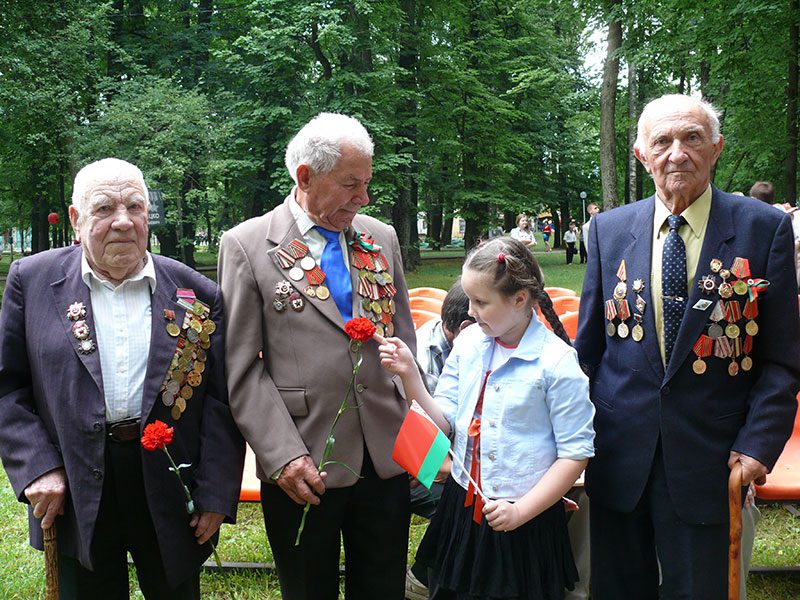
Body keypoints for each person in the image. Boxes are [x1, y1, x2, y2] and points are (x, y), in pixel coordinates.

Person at [576, 94, 800, 600]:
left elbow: (782, 358)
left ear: (716, 149)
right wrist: (567, 439)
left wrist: (759, 442)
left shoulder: (763, 229)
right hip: (618, 454)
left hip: (712, 456)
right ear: (642, 156)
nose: (677, 153)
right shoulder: (609, 230)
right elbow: (587, 352)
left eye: (692, 138)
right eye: (662, 141)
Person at [0, 158, 245, 599]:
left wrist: (214, 494)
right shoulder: (31, 281)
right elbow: (8, 386)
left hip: (169, 481)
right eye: (104, 208)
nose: (123, 221)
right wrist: (37, 466)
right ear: (75, 220)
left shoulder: (198, 294)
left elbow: (220, 400)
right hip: (74, 481)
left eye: (135, 206)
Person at [218, 112, 416, 600]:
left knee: (384, 589)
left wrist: (416, 428)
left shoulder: (380, 237)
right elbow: (241, 369)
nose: (363, 197)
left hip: (385, 457)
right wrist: (282, 456)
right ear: (305, 177)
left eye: (367, 182)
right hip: (304, 461)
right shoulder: (247, 245)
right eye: (350, 184)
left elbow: (403, 341)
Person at [377, 236, 595, 600]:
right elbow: (442, 423)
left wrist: (520, 512)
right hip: (463, 507)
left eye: (481, 302)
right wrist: (410, 376)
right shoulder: (468, 344)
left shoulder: (557, 364)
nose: (471, 311)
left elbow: (574, 454)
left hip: (525, 518)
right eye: (469, 299)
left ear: (520, 299)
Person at [405, 279, 474, 600]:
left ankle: (424, 575)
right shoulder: (422, 357)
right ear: (465, 328)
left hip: (450, 458)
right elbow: (420, 447)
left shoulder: (461, 344)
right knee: (462, 503)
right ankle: (428, 581)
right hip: (408, 465)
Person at [750, 181, 800, 289]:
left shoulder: (753, 222)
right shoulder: (783, 219)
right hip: (784, 282)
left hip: (758, 283)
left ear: (753, 199)